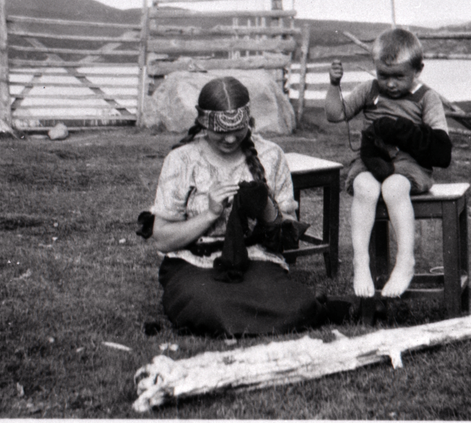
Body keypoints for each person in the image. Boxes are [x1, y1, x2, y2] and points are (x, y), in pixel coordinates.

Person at [138, 76, 339, 337]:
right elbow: (163, 241)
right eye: (221, 132)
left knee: (295, 304)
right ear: (203, 123)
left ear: (248, 121)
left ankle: (273, 310)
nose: (231, 140)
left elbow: (287, 240)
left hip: (254, 258)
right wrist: (210, 214)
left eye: (238, 131)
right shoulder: (181, 160)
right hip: (194, 263)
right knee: (211, 306)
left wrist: (266, 207)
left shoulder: (271, 155)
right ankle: (233, 313)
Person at [325, 28, 452, 299]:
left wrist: (403, 131)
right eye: (384, 75)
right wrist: (334, 85)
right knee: (363, 186)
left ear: (418, 70)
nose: (390, 84)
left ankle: (405, 261)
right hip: (371, 160)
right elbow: (336, 115)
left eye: (399, 76)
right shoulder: (369, 90)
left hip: (410, 165)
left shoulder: (427, 98)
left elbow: (441, 144)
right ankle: (361, 262)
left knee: (394, 187)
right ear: (376, 69)